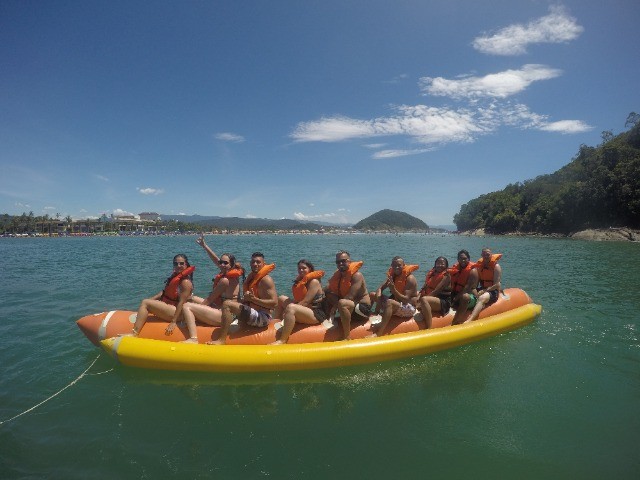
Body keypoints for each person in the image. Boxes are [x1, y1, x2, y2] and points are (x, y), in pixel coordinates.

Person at [180, 235, 245, 343]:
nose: (222, 265)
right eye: (221, 262)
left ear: (232, 265)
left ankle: (193, 338)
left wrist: (197, 310)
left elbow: (209, 299)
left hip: (225, 316)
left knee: (187, 306)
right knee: (191, 298)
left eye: (226, 263)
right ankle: (185, 317)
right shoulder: (228, 273)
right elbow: (216, 260)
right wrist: (204, 246)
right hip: (220, 308)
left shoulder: (225, 280)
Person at [208, 252, 278, 345]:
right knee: (230, 303)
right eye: (253, 262)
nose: (255, 264)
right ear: (250, 263)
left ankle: (222, 340)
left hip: (263, 318)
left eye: (258, 262)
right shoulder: (251, 277)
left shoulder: (266, 280)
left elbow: (274, 303)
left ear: (263, 264)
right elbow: (221, 264)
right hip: (253, 312)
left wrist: (253, 299)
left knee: (227, 304)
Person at [124, 254, 195, 337]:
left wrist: (173, 322)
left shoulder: (185, 282)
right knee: (146, 302)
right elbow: (163, 293)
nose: (178, 266)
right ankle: (142, 313)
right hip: (172, 307)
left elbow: (181, 303)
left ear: (186, 265)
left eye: (181, 263)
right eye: (175, 264)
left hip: (178, 313)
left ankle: (134, 333)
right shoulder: (175, 276)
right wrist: (151, 300)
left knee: (145, 302)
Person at [271, 259, 326, 344]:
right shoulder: (300, 281)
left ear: (310, 269)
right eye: (299, 268)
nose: (301, 270)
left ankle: (283, 340)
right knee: (281, 298)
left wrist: (287, 312)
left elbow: (306, 302)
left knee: (291, 308)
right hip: (305, 310)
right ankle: (273, 324)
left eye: (304, 268)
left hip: (316, 314)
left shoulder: (314, 282)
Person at [324, 250, 371, 340]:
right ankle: (328, 319)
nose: (340, 263)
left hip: (362, 310)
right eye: (338, 262)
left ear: (349, 261)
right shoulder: (339, 276)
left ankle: (347, 336)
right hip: (350, 307)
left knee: (342, 302)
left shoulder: (357, 275)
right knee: (328, 294)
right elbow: (327, 288)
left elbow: (350, 297)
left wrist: (335, 307)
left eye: (343, 261)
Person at [369, 257, 419, 337]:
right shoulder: (392, 276)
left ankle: (379, 333)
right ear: (391, 266)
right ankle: (369, 317)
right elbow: (380, 288)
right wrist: (377, 306)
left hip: (409, 307)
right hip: (397, 304)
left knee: (390, 302)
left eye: (399, 265)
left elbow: (406, 300)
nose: (396, 267)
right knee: (372, 294)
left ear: (404, 265)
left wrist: (393, 289)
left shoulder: (410, 278)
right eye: (394, 265)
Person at [466, 248, 502, 323]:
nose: (486, 256)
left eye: (488, 254)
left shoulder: (496, 267)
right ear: (482, 255)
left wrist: (484, 291)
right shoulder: (480, 267)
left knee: (482, 297)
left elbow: (497, 285)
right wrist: (474, 292)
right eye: (484, 254)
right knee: (467, 295)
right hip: (483, 288)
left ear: (491, 255)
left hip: (493, 291)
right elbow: (476, 283)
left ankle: (470, 319)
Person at [416, 256, 451, 329]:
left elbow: (436, 291)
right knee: (415, 294)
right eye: (438, 263)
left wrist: (421, 301)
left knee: (424, 300)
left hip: (443, 301)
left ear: (446, 266)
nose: (440, 265)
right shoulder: (432, 273)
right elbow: (424, 287)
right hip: (432, 299)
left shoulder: (446, 276)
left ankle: (429, 327)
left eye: (442, 263)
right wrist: (418, 296)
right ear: (435, 264)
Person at [450, 249, 479, 325]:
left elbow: (467, 288)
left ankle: (455, 322)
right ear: (458, 259)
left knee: (464, 297)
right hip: (456, 293)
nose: (462, 260)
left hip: (470, 296)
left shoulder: (473, 271)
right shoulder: (456, 268)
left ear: (468, 259)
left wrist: (456, 298)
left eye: (465, 258)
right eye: (460, 258)